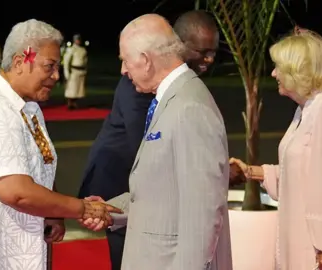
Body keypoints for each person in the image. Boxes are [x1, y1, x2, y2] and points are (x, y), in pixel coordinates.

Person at [0, 19, 121, 270]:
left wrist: (53, 212)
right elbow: (16, 191)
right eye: (49, 66)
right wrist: (81, 208)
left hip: (15, 242)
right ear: (20, 62)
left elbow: (40, 161)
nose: (56, 76)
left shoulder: (27, 107)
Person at [84, 14, 231, 270]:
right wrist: (112, 210)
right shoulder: (169, 99)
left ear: (145, 60)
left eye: (125, 61)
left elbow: (203, 214)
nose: (123, 70)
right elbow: (162, 192)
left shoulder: (189, 108)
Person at [230, 31, 322, 269]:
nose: (273, 74)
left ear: (298, 70)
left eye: (279, 67)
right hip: (305, 238)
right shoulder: (308, 109)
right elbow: (303, 173)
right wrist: (250, 172)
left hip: (319, 249)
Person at [63, 34, 88, 109]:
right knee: (72, 88)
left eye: (79, 39)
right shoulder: (71, 49)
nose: (78, 41)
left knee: (79, 89)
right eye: (77, 39)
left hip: (81, 71)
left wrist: (85, 70)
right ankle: (70, 103)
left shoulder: (83, 50)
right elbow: (66, 62)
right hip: (73, 71)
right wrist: (66, 73)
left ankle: (74, 102)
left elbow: (85, 61)